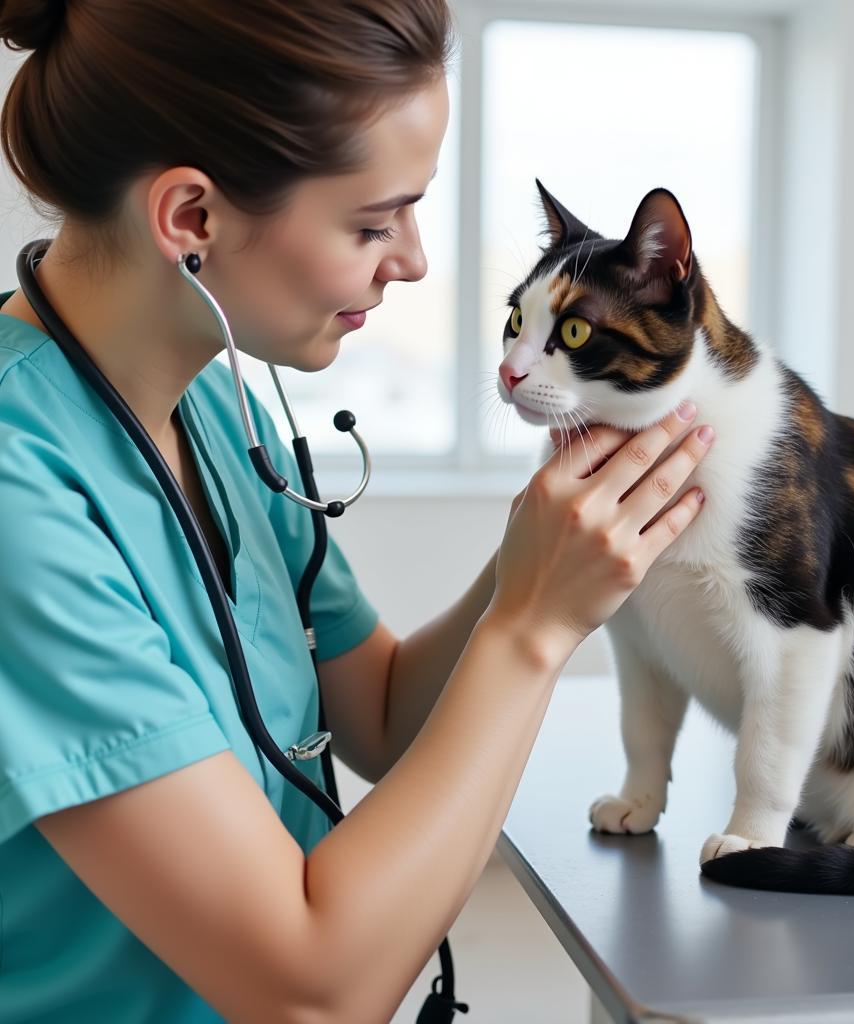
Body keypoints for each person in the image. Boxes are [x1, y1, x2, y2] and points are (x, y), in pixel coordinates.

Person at [0, 1, 713, 1020]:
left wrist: (536, 557)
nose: (413, 258)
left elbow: (375, 712)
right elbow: (312, 992)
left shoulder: (210, 403)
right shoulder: (18, 493)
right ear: (193, 219)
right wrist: (535, 625)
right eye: (374, 222)